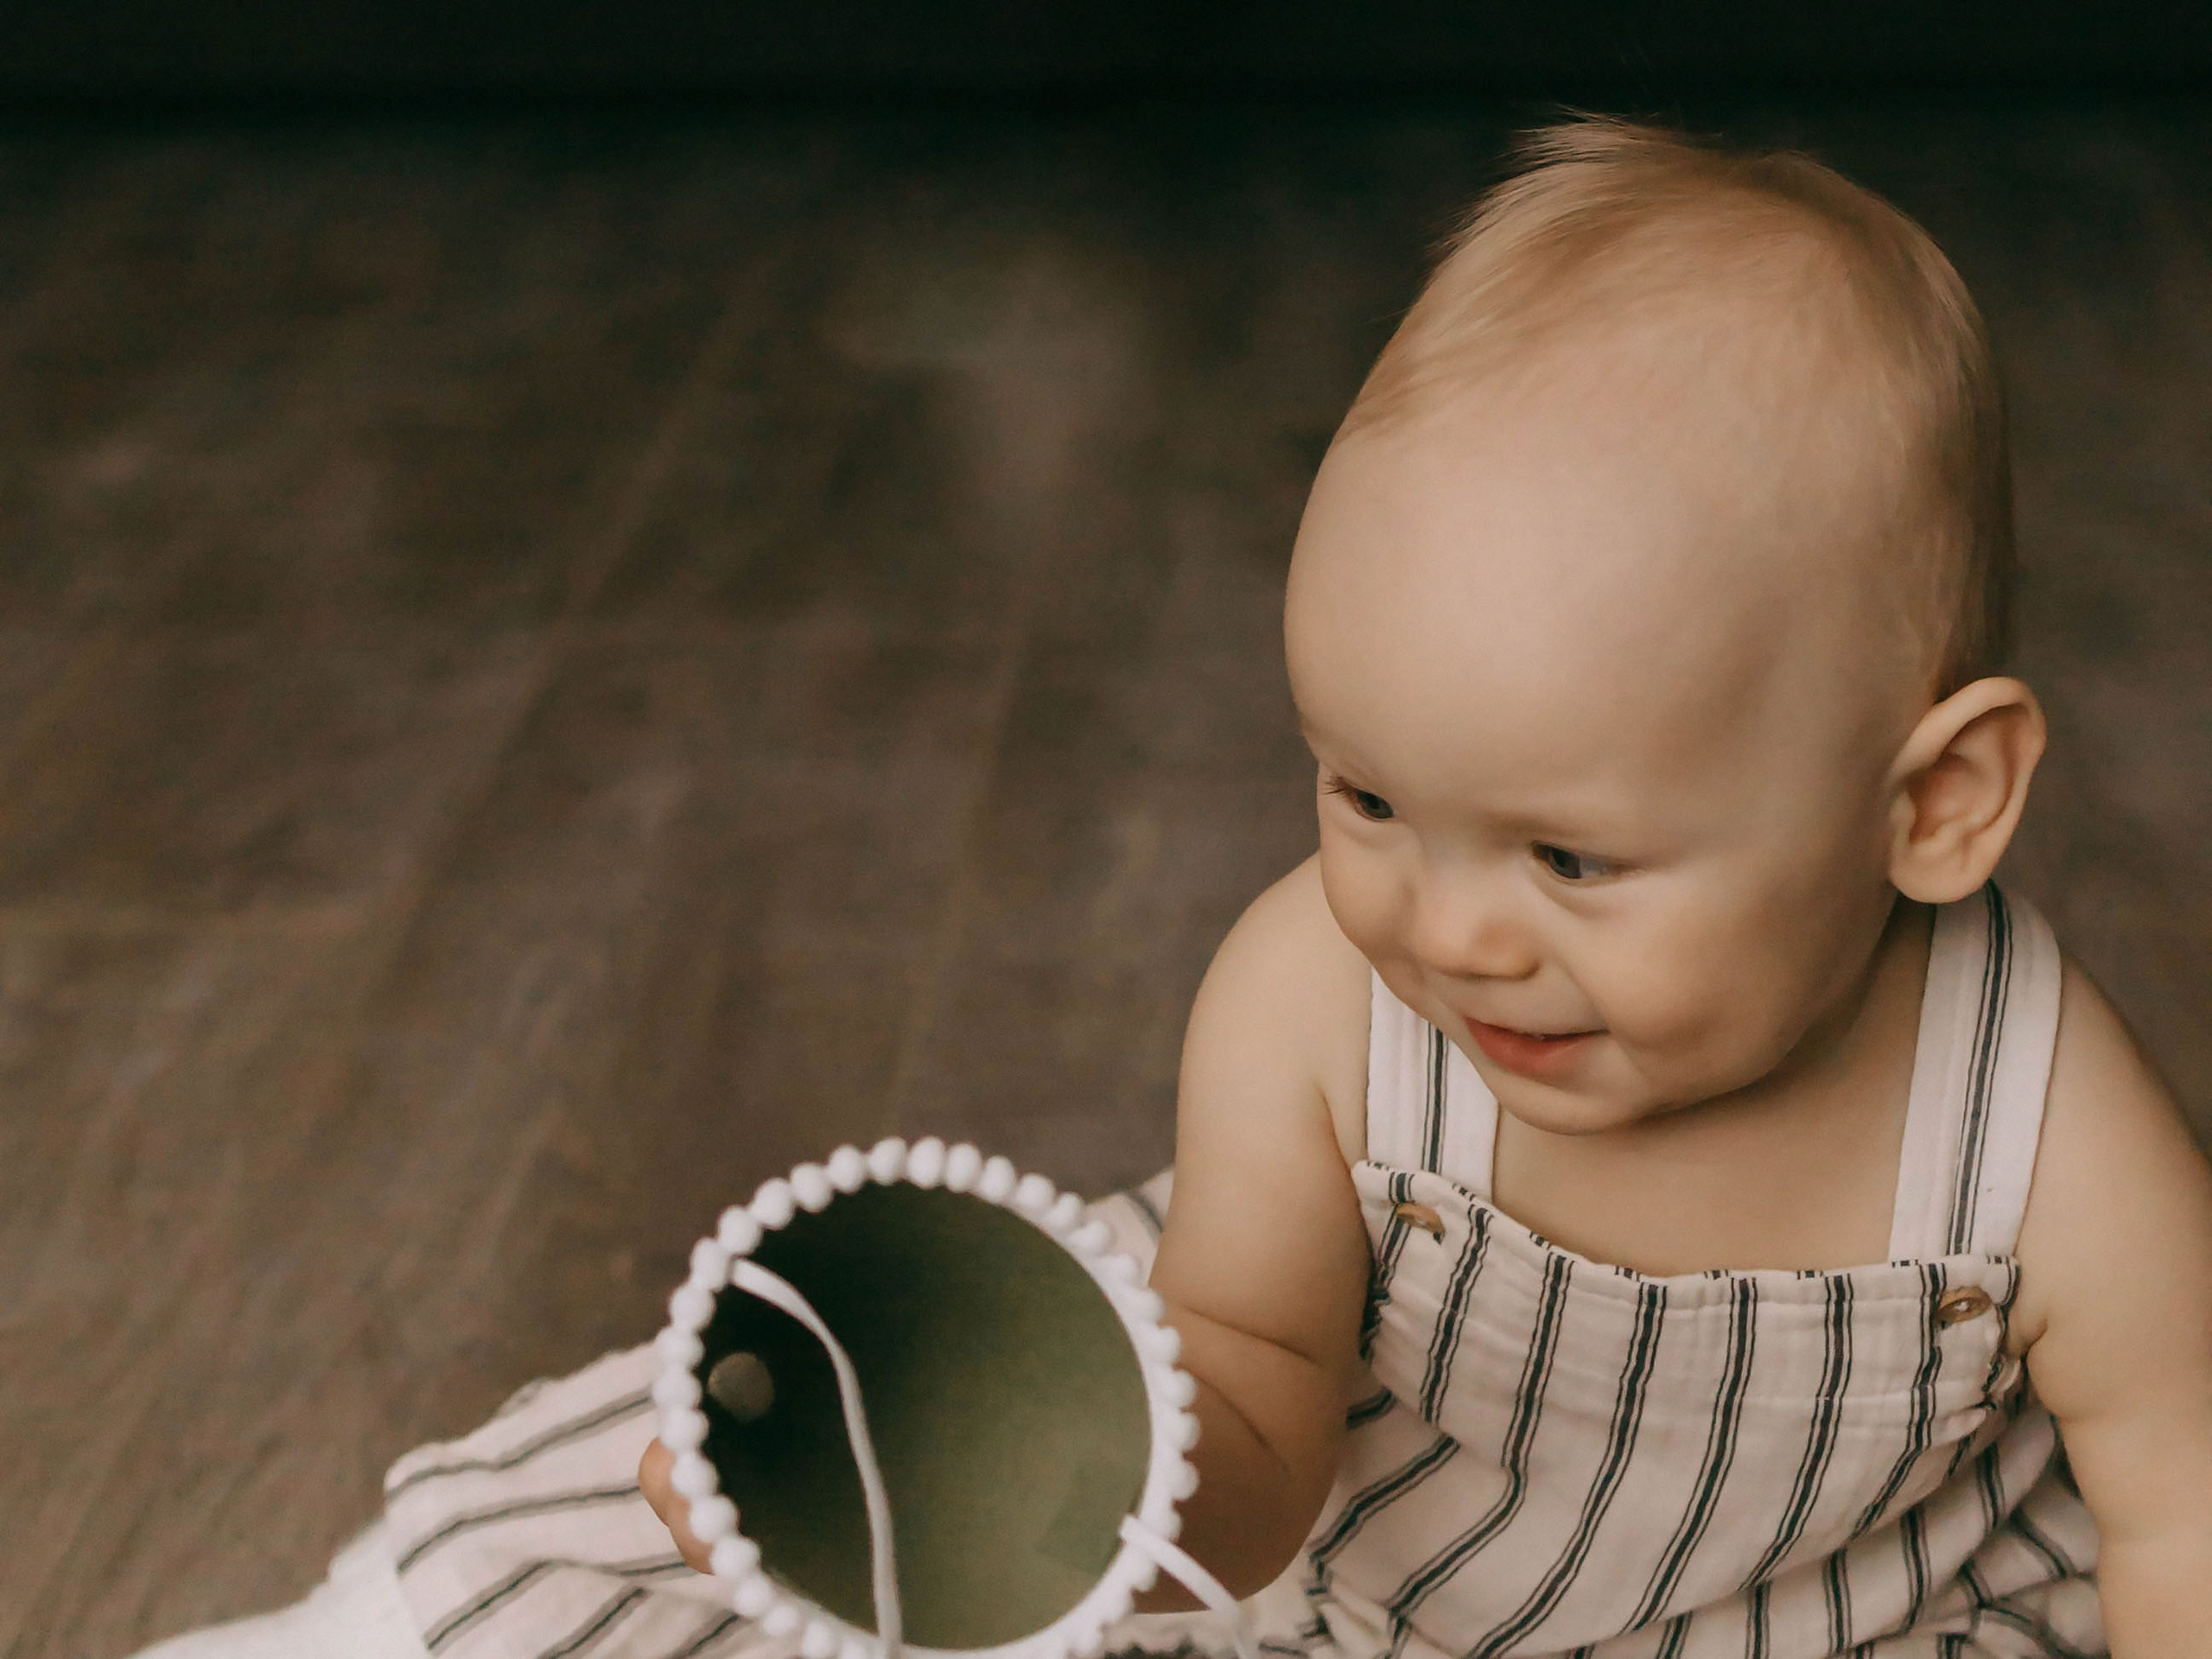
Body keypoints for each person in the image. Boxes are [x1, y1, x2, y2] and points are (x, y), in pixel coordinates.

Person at [146, 119, 2211, 1659]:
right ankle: (391, 1632)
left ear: (1933, 802)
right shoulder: (1313, 999)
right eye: (1367, 796)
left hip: (1831, 1622)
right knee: (707, 1476)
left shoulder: (2042, 1123)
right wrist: (1083, 1497)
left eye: (1569, 857)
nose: (1445, 930)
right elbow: (1258, 1418)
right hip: (1339, 1581)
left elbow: (2181, 1508)